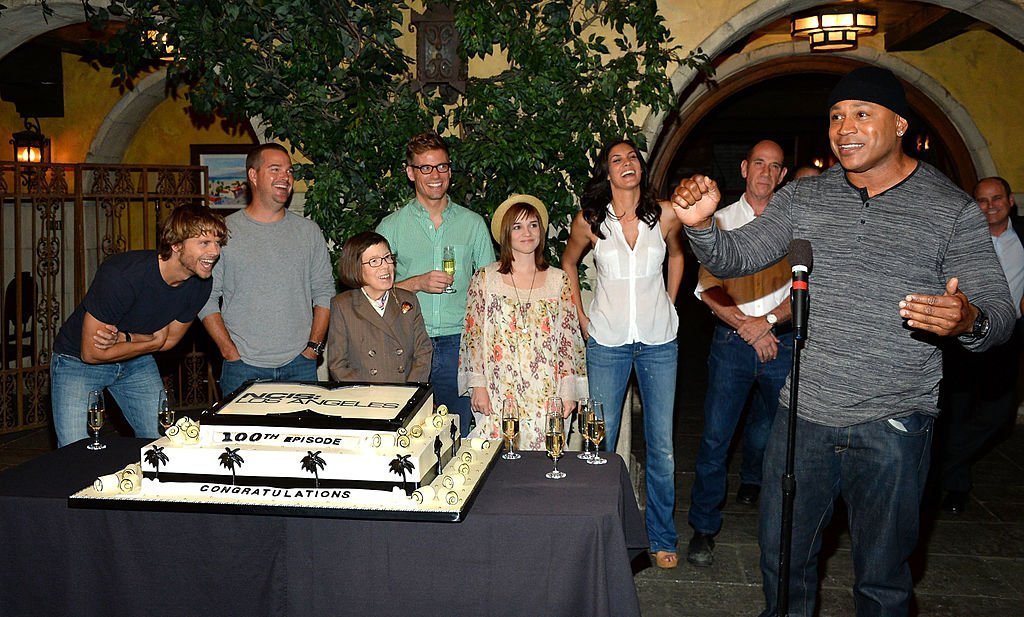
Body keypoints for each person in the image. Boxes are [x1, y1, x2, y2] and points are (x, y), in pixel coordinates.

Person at [671, 66, 1014, 615]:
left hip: (894, 423)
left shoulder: (950, 210)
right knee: (783, 563)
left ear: (900, 124)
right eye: (835, 116)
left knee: (882, 581)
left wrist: (967, 317)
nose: (843, 127)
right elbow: (738, 258)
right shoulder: (807, 198)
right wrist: (701, 228)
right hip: (803, 415)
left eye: (861, 114)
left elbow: (999, 313)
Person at [562, 139, 685, 569]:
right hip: (608, 341)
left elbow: (678, 256)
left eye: (632, 157)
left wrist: (669, 302)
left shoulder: (664, 214)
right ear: (607, 173)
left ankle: (661, 536)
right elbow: (568, 263)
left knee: (663, 446)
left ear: (640, 168)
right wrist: (581, 316)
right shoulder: (592, 221)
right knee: (601, 440)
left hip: (658, 342)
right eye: (617, 160)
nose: (627, 164)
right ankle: (598, 532)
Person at [687, 140, 793, 568]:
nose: (766, 173)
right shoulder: (722, 222)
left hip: (781, 342)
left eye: (776, 167)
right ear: (745, 168)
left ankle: (784, 528)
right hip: (733, 343)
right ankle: (703, 529)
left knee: (782, 439)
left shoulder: (796, 222)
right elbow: (707, 289)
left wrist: (767, 324)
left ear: (783, 176)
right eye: (760, 164)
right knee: (715, 437)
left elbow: (808, 289)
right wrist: (749, 327)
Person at [50, 205, 227, 447]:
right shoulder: (122, 275)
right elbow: (91, 353)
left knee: (161, 443)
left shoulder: (200, 284)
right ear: (176, 245)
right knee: (74, 452)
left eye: (217, 243)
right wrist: (151, 341)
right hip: (76, 364)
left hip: (136, 362)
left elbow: (170, 342)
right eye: (204, 243)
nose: (214, 251)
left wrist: (127, 338)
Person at [377, 131, 495, 436]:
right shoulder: (392, 226)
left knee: (460, 434)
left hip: (460, 343)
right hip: (409, 341)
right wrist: (414, 283)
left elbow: (490, 289)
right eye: (425, 168)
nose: (435, 175)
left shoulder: (472, 224)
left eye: (442, 166)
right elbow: (372, 293)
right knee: (409, 433)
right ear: (410, 172)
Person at [199, 143, 335, 397]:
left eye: (289, 171)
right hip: (242, 367)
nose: (285, 177)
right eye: (275, 169)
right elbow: (205, 298)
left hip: (300, 365)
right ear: (253, 175)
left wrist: (313, 349)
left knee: (303, 435)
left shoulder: (308, 232)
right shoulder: (224, 233)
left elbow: (324, 292)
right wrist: (229, 351)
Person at [458, 194, 587, 449]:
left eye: (533, 225)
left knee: (543, 469)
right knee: (499, 467)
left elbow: (569, 340)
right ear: (506, 234)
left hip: (547, 393)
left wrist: (569, 391)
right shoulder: (486, 278)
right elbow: (472, 336)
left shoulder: (559, 280)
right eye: (517, 226)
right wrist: (477, 386)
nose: (526, 232)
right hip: (499, 391)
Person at [938, 177, 1024, 514]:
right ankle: (955, 485)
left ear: (1010, 201)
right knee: (956, 411)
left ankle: (941, 462)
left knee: (999, 414)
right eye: (982, 200)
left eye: (996, 198)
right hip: (964, 337)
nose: (990, 206)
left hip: (1007, 340)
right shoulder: (963, 237)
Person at [327, 231, 432, 383]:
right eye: (374, 261)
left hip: (405, 393)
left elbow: (423, 351)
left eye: (387, 258)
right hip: (366, 398)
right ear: (356, 268)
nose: (385, 267)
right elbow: (338, 365)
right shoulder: (343, 305)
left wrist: (409, 391)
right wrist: (367, 395)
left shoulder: (408, 300)